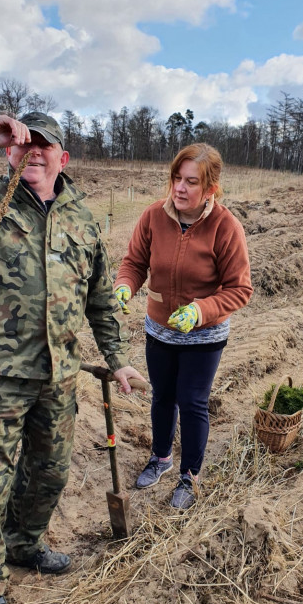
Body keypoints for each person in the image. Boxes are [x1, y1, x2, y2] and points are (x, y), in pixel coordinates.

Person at [0, 112, 145, 604]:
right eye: (25, 145)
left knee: (49, 473)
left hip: (58, 375)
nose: (34, 152)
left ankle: (23, 543)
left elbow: (102, 300)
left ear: (64, 158)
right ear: (10, 154)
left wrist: (118, 356)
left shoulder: (82, 221)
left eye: (46, 146)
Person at [115, 143, 252, 511]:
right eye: (177, 178)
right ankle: (161, 458)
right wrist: (125, 285)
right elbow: (134, 262)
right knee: (161, 396)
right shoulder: (152, 217)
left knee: (192, 402)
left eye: (191, 182)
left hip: (204, 335)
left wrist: (201, 310)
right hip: (159, 330)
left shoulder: (225, 226)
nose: (180, 188)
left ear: (210, 189)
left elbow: (240, 289)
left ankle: (189, 476)